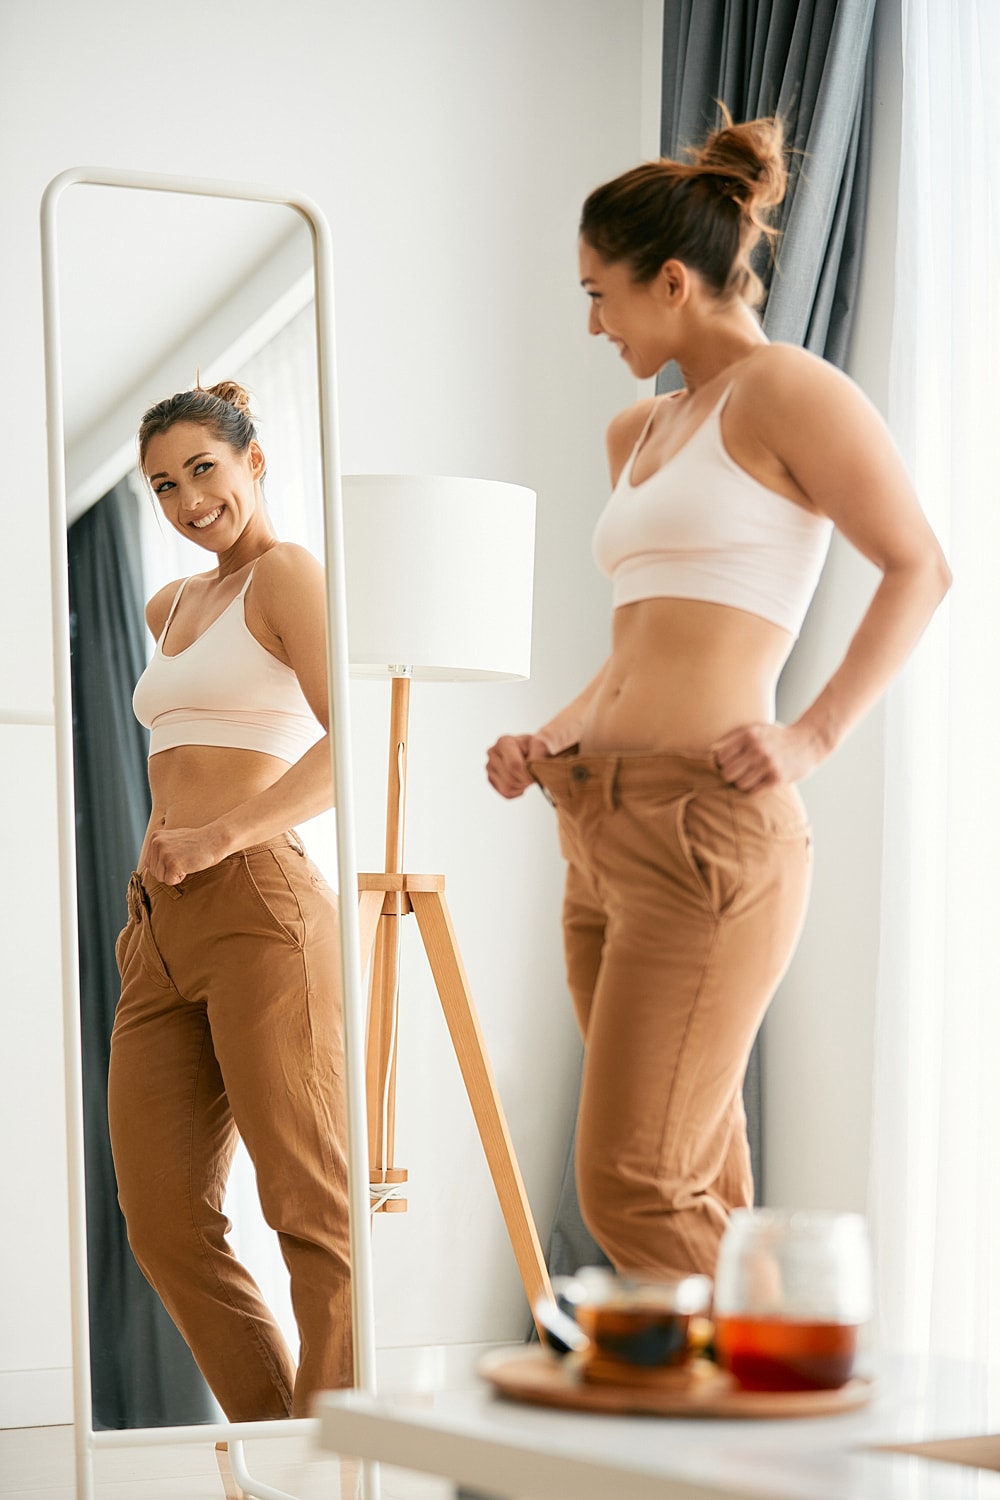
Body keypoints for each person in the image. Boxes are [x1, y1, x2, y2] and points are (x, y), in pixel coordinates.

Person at [486, 113, 951, 1284]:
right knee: (688, 1181)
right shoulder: (638, 429)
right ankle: (748, 1396)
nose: (591, 323)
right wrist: (551, 736)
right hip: (597, 824)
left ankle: (810, 1383)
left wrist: (812, 734)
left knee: (632, 1185)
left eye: (598, 294)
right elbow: (636, 646)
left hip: (708, 833)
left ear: (672, 281)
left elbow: (918, 566)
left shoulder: (786, 390)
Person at [108, 379, 351, 1420]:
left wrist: (219, 835)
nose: (187, 499)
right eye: (164, 484)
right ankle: (276, 1449)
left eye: (203, 468)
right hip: (157, 924)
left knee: (308, 1203)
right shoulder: (168, 606)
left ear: (255, 461)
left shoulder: (286, 575)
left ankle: (332, 1463)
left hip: (256, 900)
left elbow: (350, 745)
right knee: (162, 1219)